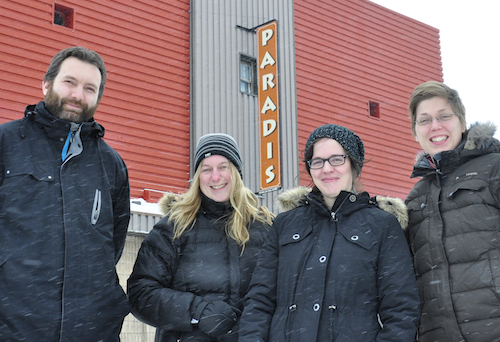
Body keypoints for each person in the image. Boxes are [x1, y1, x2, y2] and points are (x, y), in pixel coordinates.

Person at [238, 124, 420, 341]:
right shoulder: (285, 225)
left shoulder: (382, 225)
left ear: (353, 164)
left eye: (337, 159)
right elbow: (259, 301)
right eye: (318, 162)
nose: (326, 169)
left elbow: (401, 309)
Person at [0, 46, 131, 341]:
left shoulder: (111, 164)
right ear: (47, 84)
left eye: (89, 88)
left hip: (91, 330)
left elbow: (113, 245)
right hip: (13, 328)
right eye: (69, 82)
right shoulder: (6, 144)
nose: (77, 95)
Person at [127, 133, 274, 342]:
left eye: (223, 167)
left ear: (236, 172)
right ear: (198, 177)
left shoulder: (265, 228)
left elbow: (280, 295)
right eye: (206, 169)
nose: (216, 177)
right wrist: (197, 310)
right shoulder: (173, 228)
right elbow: (141, 294)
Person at [405, 81, 500, 342]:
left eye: (444, 116)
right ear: (415, 132)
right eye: (424, 120)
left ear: (462, 122)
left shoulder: (494, 169)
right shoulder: (414, 199)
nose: (435, 126)